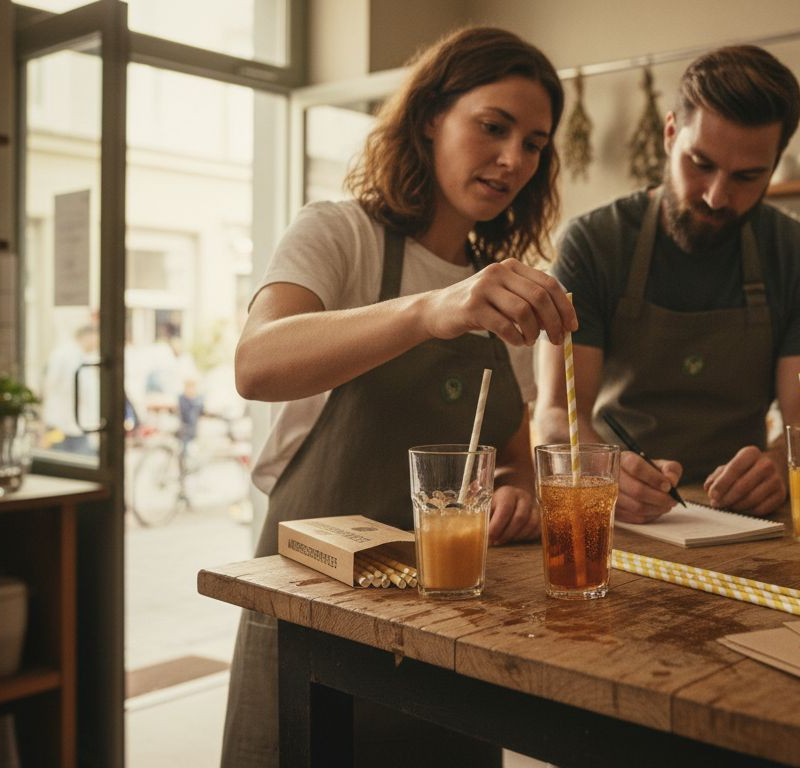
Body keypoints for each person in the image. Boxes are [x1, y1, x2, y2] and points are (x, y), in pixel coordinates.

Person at [222, 27, 573, 768]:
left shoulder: (504, 292)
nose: (514, 159)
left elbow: (511, 459)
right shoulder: (338, 235)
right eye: (493, 126)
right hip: (314, 613)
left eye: (535, 143)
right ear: (428, 120)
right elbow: (256, 364)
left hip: (451, 629)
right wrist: (427, 310)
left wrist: (516, 490)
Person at [534, 46, 800, 524]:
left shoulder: (797, 254)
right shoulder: (593, 243)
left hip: (744, 522)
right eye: (701, 163)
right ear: (670, 132)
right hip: (615, 518)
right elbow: (554, 416)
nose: (718, 195)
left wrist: (779, 466)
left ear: (775, 165)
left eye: (747, 176)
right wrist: (602, 472)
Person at [40, 323, 99, 455]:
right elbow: (51, 386)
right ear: (88, 336)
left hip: (76, 425)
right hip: (62, 424)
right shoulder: (65, 355)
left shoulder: (82, 356)